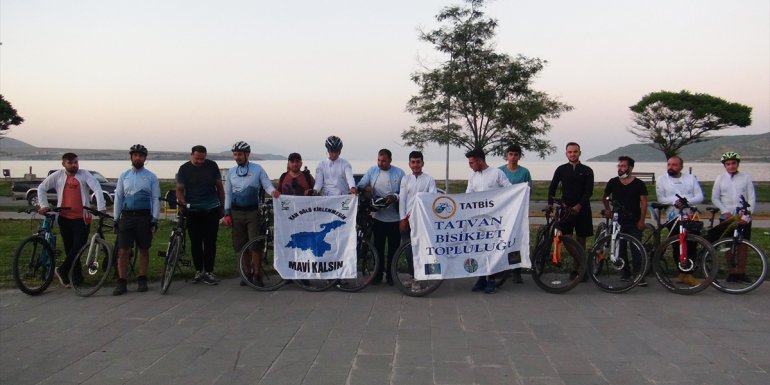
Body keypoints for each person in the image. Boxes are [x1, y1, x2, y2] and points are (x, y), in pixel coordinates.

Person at [37, 152, 106, 287]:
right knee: (70, 250)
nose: (74, 165)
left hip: (81, 218)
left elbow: (97, 188)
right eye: (71, 163)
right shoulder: (57, 176)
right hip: (64, 218)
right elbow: (41, 188)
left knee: (78, 247)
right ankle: (76, 278)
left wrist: (101, 207)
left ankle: (62, 270)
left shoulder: (84, 174)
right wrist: (44, 205)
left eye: (76, 162)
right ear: (64, 164)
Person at [222, 141, 280, 286]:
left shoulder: (257, 169)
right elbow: (228, 193)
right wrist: (226, 213)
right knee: (240, 245)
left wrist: (273, 191)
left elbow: (266, 183)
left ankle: (257, 274)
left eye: (240, 154)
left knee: (255, 245)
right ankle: (246, 273)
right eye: (235, 155)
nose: (237, 157)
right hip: (236, 213)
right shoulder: (231, 172)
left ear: (247, 154)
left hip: (253, 212)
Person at [112, 144, 160, 295]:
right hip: (127, 216)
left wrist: (155, 218)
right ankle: (121, 281)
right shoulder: (124, 175)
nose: (138, 158)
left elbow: (155, 199)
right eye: (135, 155)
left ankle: (142, 278)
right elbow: (119, 198)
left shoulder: (151, 177)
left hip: (144, 217)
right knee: (123, 250)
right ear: (131, 157)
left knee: (144, 249)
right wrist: (116, 218)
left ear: (145, 158)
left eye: (141, 155)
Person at [175, 145, 225, 285]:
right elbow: (179, 189)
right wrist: (182, 202)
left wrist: (222, 206)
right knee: (196, 242)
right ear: (191, 155)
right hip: (193, 211)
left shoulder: (212, 166)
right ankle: (198, 271)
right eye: (197, 158)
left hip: (211, 209)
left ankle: (208, 271)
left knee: (210, 242)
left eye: (202, 159)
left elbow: (219, 187)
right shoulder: (184, 169)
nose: (200, 161)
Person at [465, 148, 512, 294]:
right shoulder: (473, 176)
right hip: (477, 221)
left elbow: (509, 189)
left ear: (480, 161)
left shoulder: (497, 173)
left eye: (472, 162)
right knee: (478, 249)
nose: (470, 165)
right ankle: (481, 278)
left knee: (491, 249)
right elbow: (468, 194)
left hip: (494, 220)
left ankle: (491, 280)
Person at [357, 149, 405, 285]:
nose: (380, 163)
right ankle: (377, 275)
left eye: (383, 161)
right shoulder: (372, 171)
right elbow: (360, 185)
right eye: (379, 160)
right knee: (377, 248)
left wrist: (394, 197)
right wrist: (366, 189)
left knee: (393, 249)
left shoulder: (399, 172)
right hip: (377, 217)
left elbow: (404, 192)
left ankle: (391, 276)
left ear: (390, 160)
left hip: (395, 218)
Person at [655, 155, 704, 286]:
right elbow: (661, 198)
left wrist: (686, 201)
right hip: (673, 217)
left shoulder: (690, 178)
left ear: (681, 166)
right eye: (669, 164)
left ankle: (689, 272)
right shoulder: (662, 179)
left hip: (690, 216)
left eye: (674, 165)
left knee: (692, 244)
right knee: (677, 244)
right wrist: (674, 201)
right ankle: (681, 272)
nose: (671, 167)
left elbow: (699, 196)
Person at [601, 156, 648, 285]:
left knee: (636, 248)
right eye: (619, 166)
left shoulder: (639, 184)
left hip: (634, 220)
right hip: (618, 220)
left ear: (630, 168)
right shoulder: (613, 182)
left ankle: (639, 274)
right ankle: (625, 273)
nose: (620, 168)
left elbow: (644, 203)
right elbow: (604, 197)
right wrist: (608, 210)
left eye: (623, 166)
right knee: (620, 248)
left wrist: (642, 220)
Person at [547, 142, 594, 271]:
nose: (572, 154)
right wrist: (550, 204)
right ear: (566, 153)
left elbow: (589, 191)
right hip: (565, 209)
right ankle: (584, 266)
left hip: (583, 209)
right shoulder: (561, 169)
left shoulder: (587, 170)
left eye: (575, 151)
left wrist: (579, 206)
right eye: (570, 152)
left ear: (580, 153)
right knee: (566, 238)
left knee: (581, 240)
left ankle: (576, 269)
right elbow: (552, 188)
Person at [711, 151, 757, 283]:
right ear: (725, 165)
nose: (731, 166)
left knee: (743, 245)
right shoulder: (720, 178)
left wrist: (747, 214)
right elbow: (715, 198)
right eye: (728, 164)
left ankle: (741, 272)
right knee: (728, 244)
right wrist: (724, 211)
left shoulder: (746, 177)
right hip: (727, 216)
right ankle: (731, 273)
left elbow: (752, 197)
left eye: (733, 163)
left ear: (738, 164)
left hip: (743, 216)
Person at [398, 150, 437, 289]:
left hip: (422, 220)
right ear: (409, 164)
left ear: (422, 163)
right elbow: (402, 200)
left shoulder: (429, 179)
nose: (415, 165)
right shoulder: (405, 179)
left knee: (422, 249)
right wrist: (402, 219)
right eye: (413, 162)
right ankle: (412, 275)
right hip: (407, 221)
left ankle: (421, 277)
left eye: (418, 162)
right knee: (409, 250)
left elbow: (433, 198)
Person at [498, 143, 532, 284]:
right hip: (502, 212)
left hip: (518, 212)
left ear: (519, 156)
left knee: (516, 241)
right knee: (501, 240)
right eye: (510, 154)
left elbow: (528, 191)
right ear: (506, 155)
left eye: (516, 154)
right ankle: (500, 269)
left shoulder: (524, 172)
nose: (513, 157)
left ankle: (516, 271)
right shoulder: (499, 171)